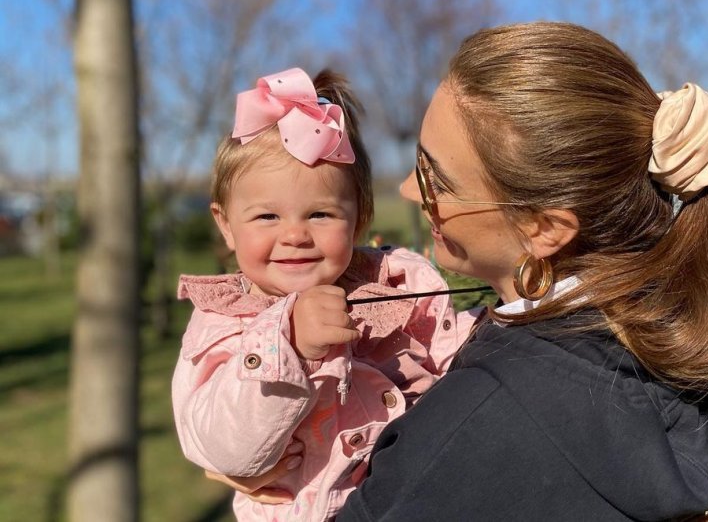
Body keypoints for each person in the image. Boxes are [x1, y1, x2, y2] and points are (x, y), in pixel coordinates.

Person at [332, 22, 708, 520]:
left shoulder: (482, 422)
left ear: (543, 228)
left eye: (438, 181)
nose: (411, 190)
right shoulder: (674, 338)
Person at [172, 67, 480, 522]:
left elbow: (455, 354)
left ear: (359, 219)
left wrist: (499, 322)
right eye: (266, 217)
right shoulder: (225, 321)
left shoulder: (395, 284)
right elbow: (220, 446)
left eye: (319, 214)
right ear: (225, 224)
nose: (294, 235)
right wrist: (288, 345)